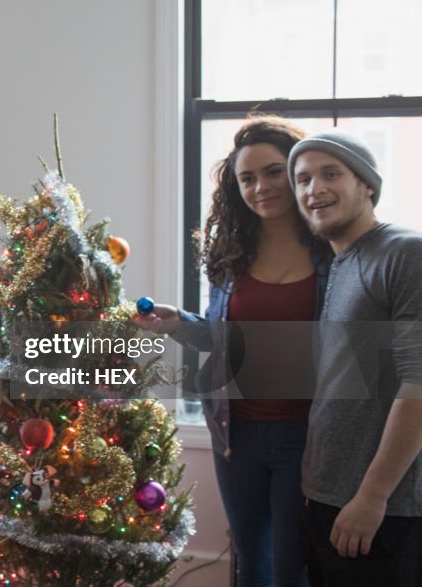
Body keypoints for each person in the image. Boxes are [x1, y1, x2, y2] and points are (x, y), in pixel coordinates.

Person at [133, 116, 331, 586]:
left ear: (299, 173)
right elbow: (224, 340)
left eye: (273, 171)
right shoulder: (230, 255)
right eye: (247, 178)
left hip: (306, 436)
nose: (260, 186)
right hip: (234, 432)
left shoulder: (333, 253)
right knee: (249, 562)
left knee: (292, 566)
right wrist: (178, 322)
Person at [288, 132, 422, 586]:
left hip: (385, 511)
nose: (313, 189)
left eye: (331, 174)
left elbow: (418, 383)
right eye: (302, 180)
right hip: (327, 497)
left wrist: (372, 495)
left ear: (366, 184)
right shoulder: (341, 266)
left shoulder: (405, 254)